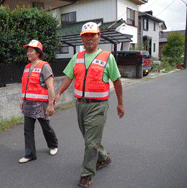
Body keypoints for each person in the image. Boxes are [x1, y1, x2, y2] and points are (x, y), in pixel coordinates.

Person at [53, 22, 125, 187]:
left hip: (98, 106)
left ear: (99, 36)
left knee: (90, 142)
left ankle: (86, 175)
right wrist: (58, 93)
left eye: (92, 35)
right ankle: (103, 157)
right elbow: (68, 77)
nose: (89, 38)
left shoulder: (108, 57)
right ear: (82, 39)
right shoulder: (77, 58)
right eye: (85, 35)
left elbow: (117, 81)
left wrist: (120, 103)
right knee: (89, 139)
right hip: (80, 105)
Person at [19, 39, 58, 164]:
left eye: (31, 51)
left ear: (38, 53)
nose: (28, 53)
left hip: (41, 104)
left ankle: (53, 145)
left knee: (46, 127)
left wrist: (51, 105)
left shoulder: (44, 66)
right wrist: (22, 99)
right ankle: (30, 154)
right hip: (28, 103)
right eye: (28, 51)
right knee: (27, 129)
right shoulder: (27, 67)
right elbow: (25, 85)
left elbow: (50, 86)